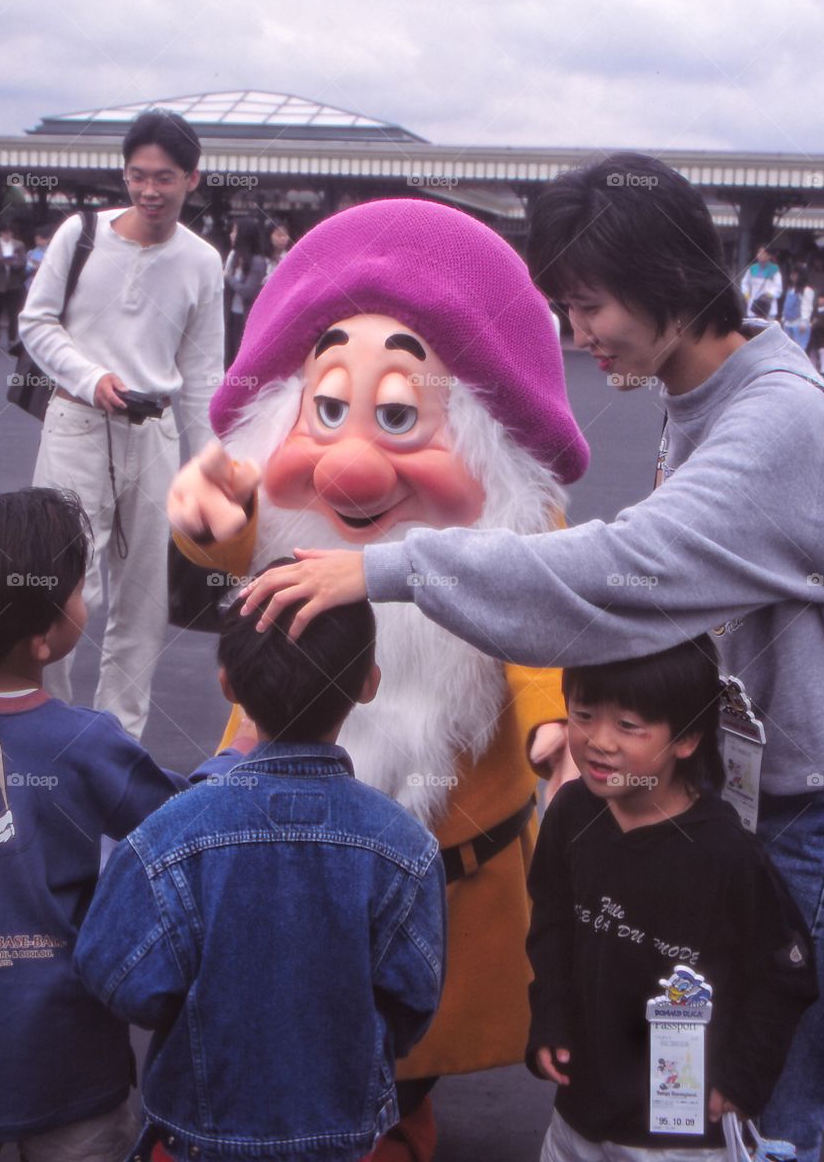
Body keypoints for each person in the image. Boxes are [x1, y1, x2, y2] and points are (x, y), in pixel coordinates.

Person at [243, 153, 824, 1162]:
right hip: (755, 783)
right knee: (688, 1082)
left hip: (811, 801)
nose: (577, 335)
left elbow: (624, 571)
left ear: (667, 279)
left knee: (759, 1100)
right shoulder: (722, 381)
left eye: (589, 306)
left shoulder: (775, 421)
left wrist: (390, 568)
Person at [166, 196, 588, 1162]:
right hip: (281, 844)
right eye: (327, 410)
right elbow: (226, 558)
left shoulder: (515, 539)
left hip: (445, 864)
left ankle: (394, 1122)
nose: (351, 468)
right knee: (285, 1025)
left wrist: (551, 729)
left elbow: (535, 632)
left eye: (399, 415)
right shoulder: (283, 522)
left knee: (401, 1050)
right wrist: (206, 521)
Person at [74, 567, 447, 1162]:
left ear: (227, 683)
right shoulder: (406, 848)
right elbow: (412, 1003)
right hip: (346, 1133)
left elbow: (118, 977)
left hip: (194, 1135)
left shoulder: (168, 836)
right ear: (369, 683)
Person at [0, 488, 183, 1162]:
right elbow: (184, 827)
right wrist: (239, 756)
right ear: (44, 638)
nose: (88, 600)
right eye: (79, 588)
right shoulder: (87, 744)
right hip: (68, 1061)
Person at [527, 636, 817, 1161]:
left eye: (628, 726)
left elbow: (788, 970)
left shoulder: (725, 853)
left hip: (679, 1140)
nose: (599, 741)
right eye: (584, 714)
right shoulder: (570, 813)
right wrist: (549, 1014)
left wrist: (744, 1078)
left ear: (686, 738)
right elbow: (551, 922)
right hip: (578, 1118)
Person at [18, 109, 224, 738]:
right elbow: (36, 323)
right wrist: (89, 378)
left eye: (164, 177)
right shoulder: (78, 234)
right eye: (137, 176)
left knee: (142, 600)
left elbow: (203, 375)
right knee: (65, 585)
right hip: (77, 425)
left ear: (192, 177)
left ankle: (118, 739)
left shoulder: (202, 262)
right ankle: (48, 726)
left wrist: (208, 466)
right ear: (124, 173)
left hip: (155, 436)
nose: (149, 191)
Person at [222, 217, 266, 367]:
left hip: (246, 318)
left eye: (235, 231)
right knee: (229, 357)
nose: (231, 235)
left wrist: (229, 278)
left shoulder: (257, 262)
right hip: (231, 316)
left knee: (240, 359)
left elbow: (247, 291)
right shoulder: (234, 257)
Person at [0, 223, 26, 350]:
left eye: (9, 233)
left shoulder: (19, 245)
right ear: (1, 234)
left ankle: (12, 339)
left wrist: (14, 263)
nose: (7, 235)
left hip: (13, 283)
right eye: (4, 233)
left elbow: (23, 262)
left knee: (13, 314)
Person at [740, 245, 782, 319]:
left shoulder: (775, 269)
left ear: (769, 255)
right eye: (759, 252)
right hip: (753, 308)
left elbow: (778, 288)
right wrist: (746, 295)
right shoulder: (752, 268)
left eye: (763, 253)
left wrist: (768, 295)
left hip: (768, 308)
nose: (760, 255)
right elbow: (744, 283)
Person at [780, 268, 814, 353]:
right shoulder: (790, 289)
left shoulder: (807, 290)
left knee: (799, 349)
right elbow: (786, 305)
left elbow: (807, 307)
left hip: (799, 323)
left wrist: (804, 322)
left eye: (795, 274)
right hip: (788, 322)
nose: (792, 276)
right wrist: (783, 318)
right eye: (792, 274)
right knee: (787, 348)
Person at [263, 215, 292, 282]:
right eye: (279, 235)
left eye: (285, 235)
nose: (283, 238)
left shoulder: (290, 257)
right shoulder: (263, 258)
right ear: (269, 236)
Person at [23, 226, 52, 294]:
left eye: (41, 239)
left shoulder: (52, 252)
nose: (38, 241)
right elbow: (26, 270)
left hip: (47, 283)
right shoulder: (31, 253)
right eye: (36, 239)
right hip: (32, 283)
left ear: (48, 239)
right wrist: (33, 267)